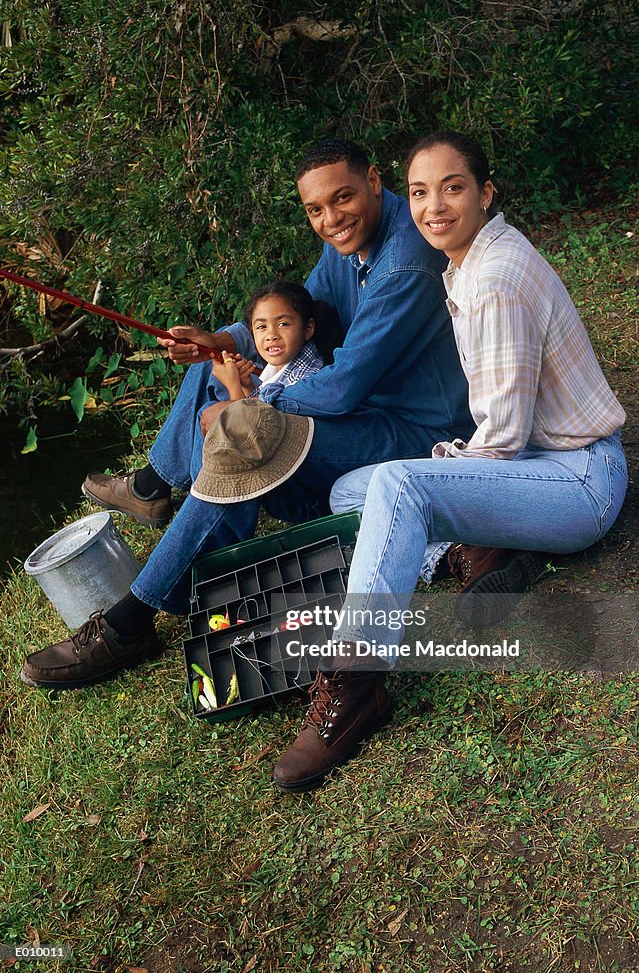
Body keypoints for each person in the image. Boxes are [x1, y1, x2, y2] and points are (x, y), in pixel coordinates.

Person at [21, 137, 493, 691]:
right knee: (219, 361)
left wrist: (248, 405)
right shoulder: (351, 241)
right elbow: (304, 308)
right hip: (366, 412)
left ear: (374, 180)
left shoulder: (404, 262)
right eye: (315, 210)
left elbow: (342, 388)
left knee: (242, 432)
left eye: (342, 199)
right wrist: (222, 341)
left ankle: (131, 621)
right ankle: (156, 489)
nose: (330, 219)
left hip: (415, 431)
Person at [272, 131, 628, 793]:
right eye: (418, 192)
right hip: (543, 467)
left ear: (485, 193)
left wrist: (432, 469)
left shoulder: (491, 279)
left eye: (452, 187)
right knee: (356, 489)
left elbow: (497, 444)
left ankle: (355, 683)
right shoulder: (467, 259)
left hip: (578, 481)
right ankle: (475, 554)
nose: (433, 206)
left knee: (400, 486)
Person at [210, 280, 326, 402]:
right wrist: (247, 385)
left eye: (282, 324)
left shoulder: (303, 381)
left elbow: (247, 420)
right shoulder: (281, 368)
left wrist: (233, 385)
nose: (271, 335)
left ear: (308, 329)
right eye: (261, 327)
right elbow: (261, 406)